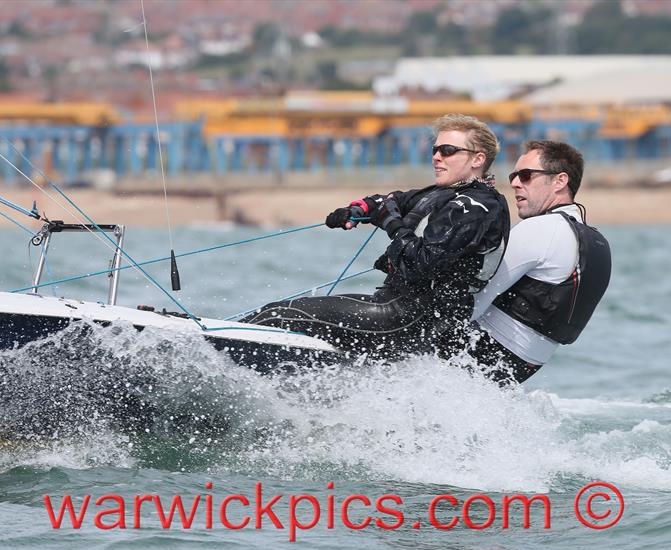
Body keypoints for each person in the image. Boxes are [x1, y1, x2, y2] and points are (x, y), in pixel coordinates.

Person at [243, 114, 510, 359]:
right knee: (287, 315)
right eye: (435, 150)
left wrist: (391, 223)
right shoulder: (442, 193)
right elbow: (388, 201)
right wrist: (358, 210)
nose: (437, 157)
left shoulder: (477, 208)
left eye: (448, 150)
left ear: (478, 159)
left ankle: (212, 358)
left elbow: (423, 261)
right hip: (396, 305)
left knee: (278, 314)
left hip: (412, 317)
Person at [465, 140, 612, 385]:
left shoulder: (544, 229)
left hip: (486, 350)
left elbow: (474, 298)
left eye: (525, 175)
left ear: (560, 181)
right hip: (523, 365)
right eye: (514, 175)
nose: (514, 183)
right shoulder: (593, 239)